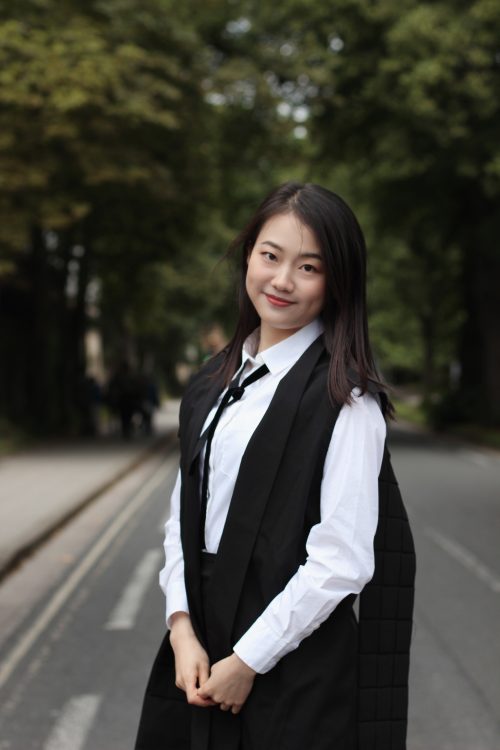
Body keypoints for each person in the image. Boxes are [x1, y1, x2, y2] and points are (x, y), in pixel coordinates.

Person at [135, 182, 415, 750]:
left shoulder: (347, 401)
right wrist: (182, 628)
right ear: (248, 258)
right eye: (270, 256)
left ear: (336, 283)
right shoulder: (212, 387)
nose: (282, 280)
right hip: (198, 653)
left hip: (293, 666)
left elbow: (342, 557)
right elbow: (183, 522)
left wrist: (248, 661)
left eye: (308, 267)